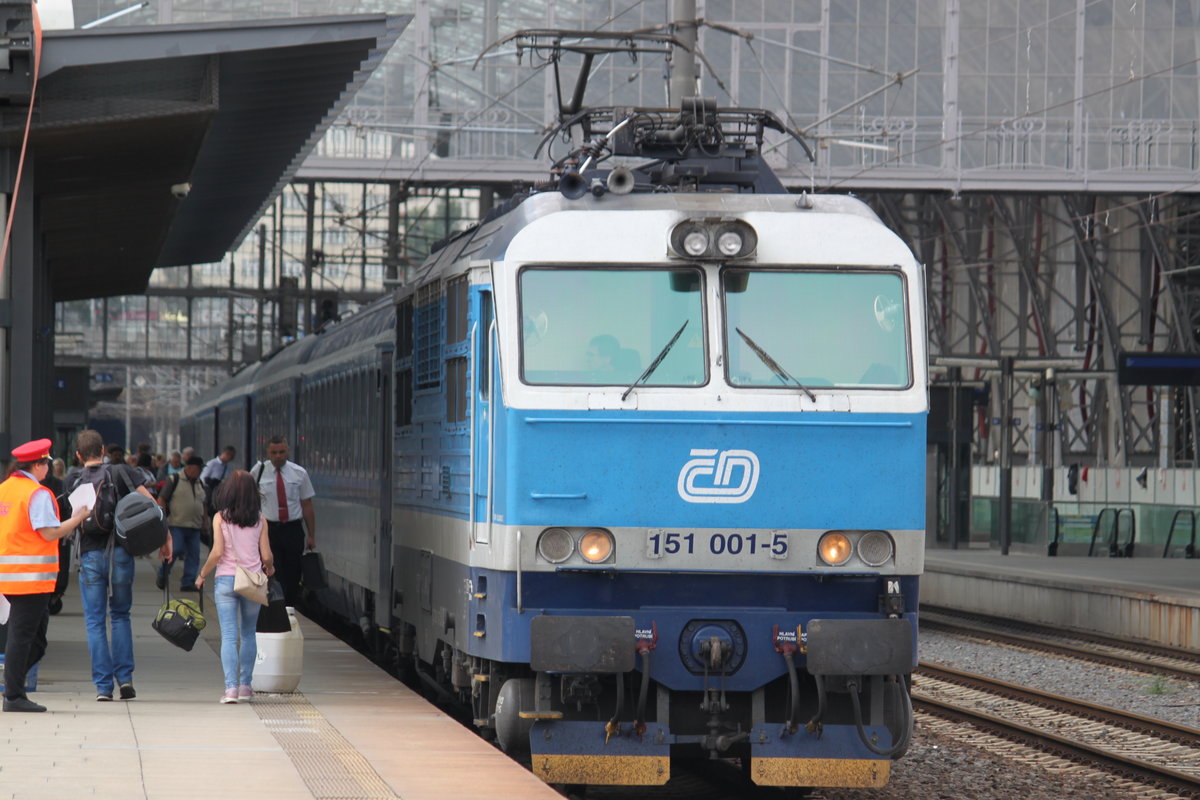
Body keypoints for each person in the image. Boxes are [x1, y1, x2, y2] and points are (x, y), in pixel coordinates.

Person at [69, 429, 172, 702]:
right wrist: (166, 538)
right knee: (120, 615)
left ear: (78, 455)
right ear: (102, 450)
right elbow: (152, 506)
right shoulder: (121, 473)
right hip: (121, 556)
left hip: (90, 557)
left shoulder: (74, 479)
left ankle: (103, 687)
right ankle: (125, 679)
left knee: (94, 621)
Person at [0, 439, 90, 712]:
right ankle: (14, 695)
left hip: (9, 576)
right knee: (24, 636)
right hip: (31, 578)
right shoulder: (36, 494)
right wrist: (78, 517)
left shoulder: (5, 489)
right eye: (45, 465)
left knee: (33, 639)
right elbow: (49, 532)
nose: (47, 470)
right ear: (37, 465)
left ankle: (12, 685)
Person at [196, 470, 274, 704]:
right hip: (252, 581)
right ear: (254, 494)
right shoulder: (260, 520)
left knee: (229, 636)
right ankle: (246, 687)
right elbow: (267, 556)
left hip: (227, 580)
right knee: (249, 635)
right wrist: (269, 569)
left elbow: (217, 552)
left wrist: (202, 575)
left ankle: (230, 690)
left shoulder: (220, 517)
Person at [252, 436, 315, 608]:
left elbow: (307, 504)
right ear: (268, 453)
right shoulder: (258, 472)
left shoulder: (299, 473)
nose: (278, 456)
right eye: (274, 452)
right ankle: (275, 606)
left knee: (293, 571)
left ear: (287, 451)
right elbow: (250, 500)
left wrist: (311, 535)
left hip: (293, 528)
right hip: (269, 529)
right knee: (273, 569)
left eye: (281, 452)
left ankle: (290, 605)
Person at [156, 455, 206, 593]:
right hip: (177, 523)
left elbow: (203, 504)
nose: (200, 471)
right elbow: (162, 498)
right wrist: (162, 518)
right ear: (190, 468)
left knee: (194, 554)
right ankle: (163, 572)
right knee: (175, 550)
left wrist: (205, 522)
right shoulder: (174, 479)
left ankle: (188, 582)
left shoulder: (199, 483)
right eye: (199, 469)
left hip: (195, 526)